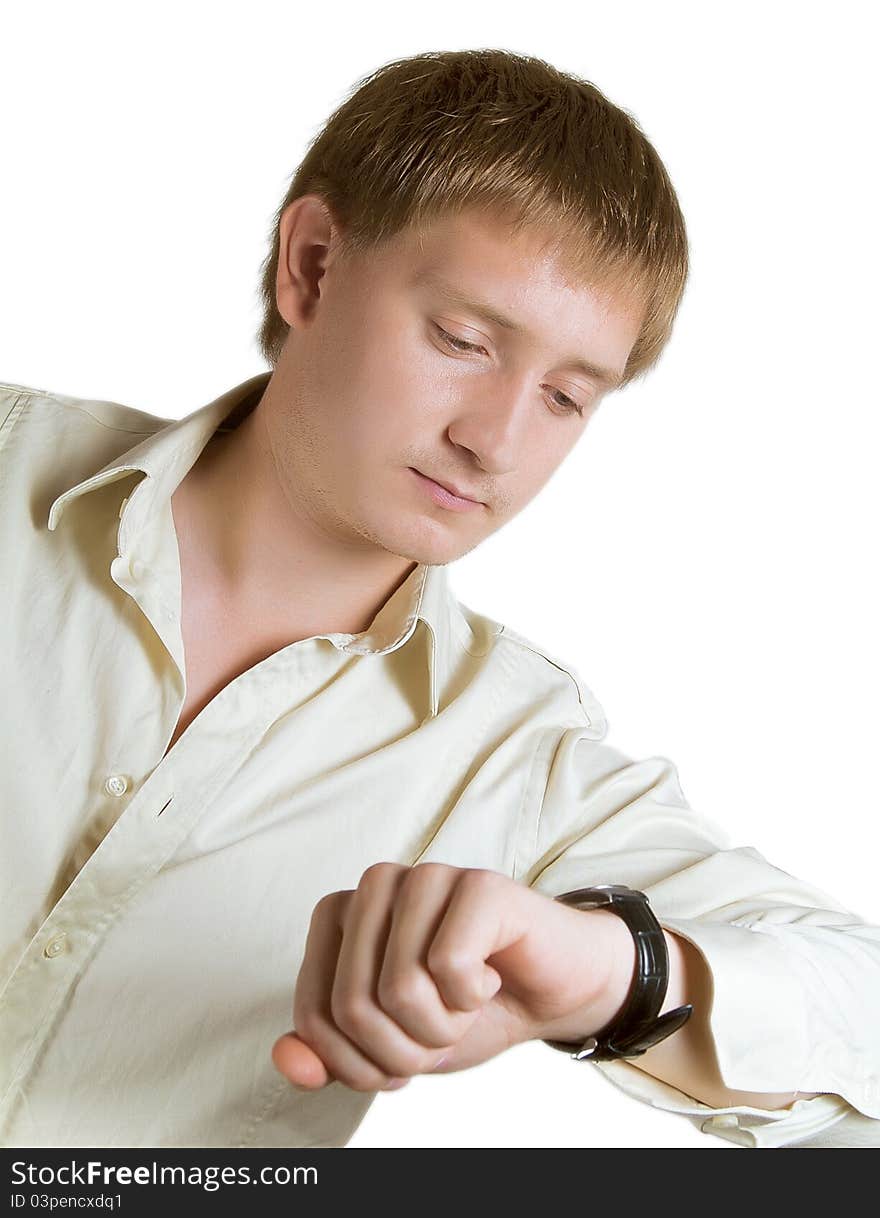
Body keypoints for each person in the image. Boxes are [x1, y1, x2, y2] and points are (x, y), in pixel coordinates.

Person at [1, 47, 878, 1151]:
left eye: (566, 397)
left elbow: (861, 1011)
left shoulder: (515, 756)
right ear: (311, 267)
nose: (495, 443)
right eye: (463, 340)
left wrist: (609, 974)